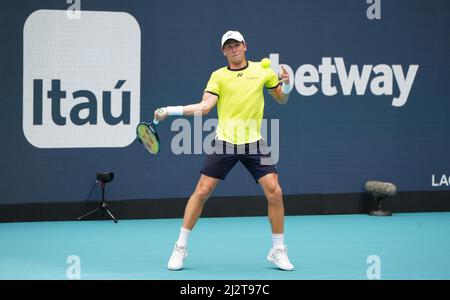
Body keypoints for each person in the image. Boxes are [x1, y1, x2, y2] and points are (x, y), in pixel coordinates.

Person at [154, 30, 294, 271]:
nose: (234, 49)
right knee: (201, 192)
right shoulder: (217, 76)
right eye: (228, 46)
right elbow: (205, 106)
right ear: (224, 51)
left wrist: (288, 85)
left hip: (254, 141)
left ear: (245, 45)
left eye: (237, 44)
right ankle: (180, 247)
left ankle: (278, 250)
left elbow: (280, 99)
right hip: (225, 141)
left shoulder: (263, 71)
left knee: (275, 192)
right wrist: (171, 110)